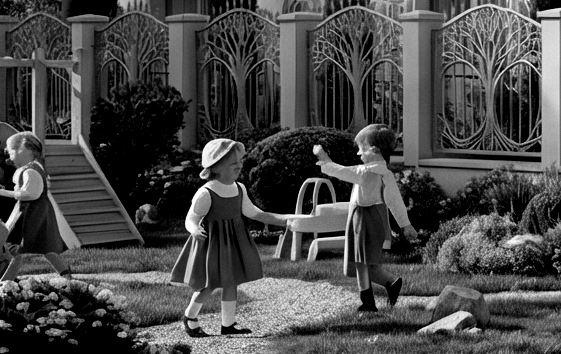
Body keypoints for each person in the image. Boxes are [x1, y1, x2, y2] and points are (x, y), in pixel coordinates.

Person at [172, 137, 289, 337]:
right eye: (233, 163)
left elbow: (254, 213)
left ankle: (228, 324)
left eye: (239, 162)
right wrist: (194, 229)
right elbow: (191, 218)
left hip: (233, 242)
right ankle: (190, 317)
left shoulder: (239, 188)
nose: (239, 166)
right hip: (212, 243)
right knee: (209, 283)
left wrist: (284, 220)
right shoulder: (206, 193)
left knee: (231, 281)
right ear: (216, 167)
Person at [313, 125, 415, 313]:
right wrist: (405, 224)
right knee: (366, 263)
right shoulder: (385, 174)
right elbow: (395, 202)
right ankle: (390, 284)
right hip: (372, 218)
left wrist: (324, 158)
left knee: (360, 262)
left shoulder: (366, 172)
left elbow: (341, 171)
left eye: (362, 149)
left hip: (363, 219)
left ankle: (368, 302)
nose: (358, 153)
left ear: (374, 149)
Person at [0, 131, 73, 278]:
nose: (10, 156)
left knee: (17, 247)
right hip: (33, 210)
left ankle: (7, 279)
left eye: (12, 152)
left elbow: (30, 194)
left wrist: (5, 192)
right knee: (43, 246)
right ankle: (65, 273)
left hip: (33, 212)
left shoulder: (31, 171)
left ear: (24, 150)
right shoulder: (31, 168)